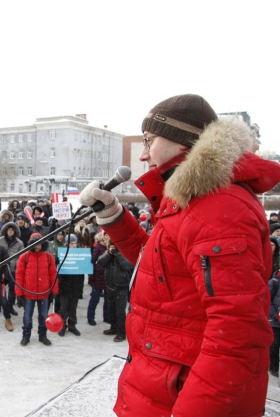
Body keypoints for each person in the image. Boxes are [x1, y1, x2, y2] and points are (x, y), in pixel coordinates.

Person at [79, 94, 280, 416]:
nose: (143, 155)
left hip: (184, 393)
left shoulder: (218, 208)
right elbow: (160, 265)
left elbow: (236, 333)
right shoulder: (194, 201)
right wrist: (114, 216)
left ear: (182, 139)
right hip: (163, 382)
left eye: (149, 140)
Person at [15, 233, 58, 346]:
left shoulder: (48, 257)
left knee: (44, 316)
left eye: (39, 243)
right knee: (27, 317)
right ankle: (26, 336)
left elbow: (53, 274)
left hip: (44, 293)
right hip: (28, 293)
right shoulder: (24, 257)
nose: (37, 246)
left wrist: (54, 291)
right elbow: (19, 276)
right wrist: (19, 294)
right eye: (35, 244)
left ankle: (42, 336)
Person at [97, 238, 133, 342]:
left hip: (122, 286)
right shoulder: (109, 252)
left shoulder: (126, 252)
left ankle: (121, 333)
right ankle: (113, 327)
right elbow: (100, 261)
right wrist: (109, 253)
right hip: (110, 286)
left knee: (120, 311)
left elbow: (128, 266)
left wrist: (118, 254)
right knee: (111, 309)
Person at [55, 234, 83, 336]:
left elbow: (82, 272)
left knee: (73, 307)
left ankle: (72, 325)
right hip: (64, 285)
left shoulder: (80, 254)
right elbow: (57, 269)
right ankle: (62, 326)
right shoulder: (62, 253)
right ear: (67, 244)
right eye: (71, 243)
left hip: (75, 285)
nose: (73, 245)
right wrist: (57, 262)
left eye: (75, 243)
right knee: (63, 308)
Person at [0, 222, 23, 316]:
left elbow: (21, 257)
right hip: (1, 269)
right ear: (5, 230)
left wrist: (16, 266)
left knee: (12, 289)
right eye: (9, 229)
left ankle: (10, 306)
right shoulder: (0, 240)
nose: (10, 231)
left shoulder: (19, 243)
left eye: (12, 230)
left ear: (15, 231)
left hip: (13, 269)